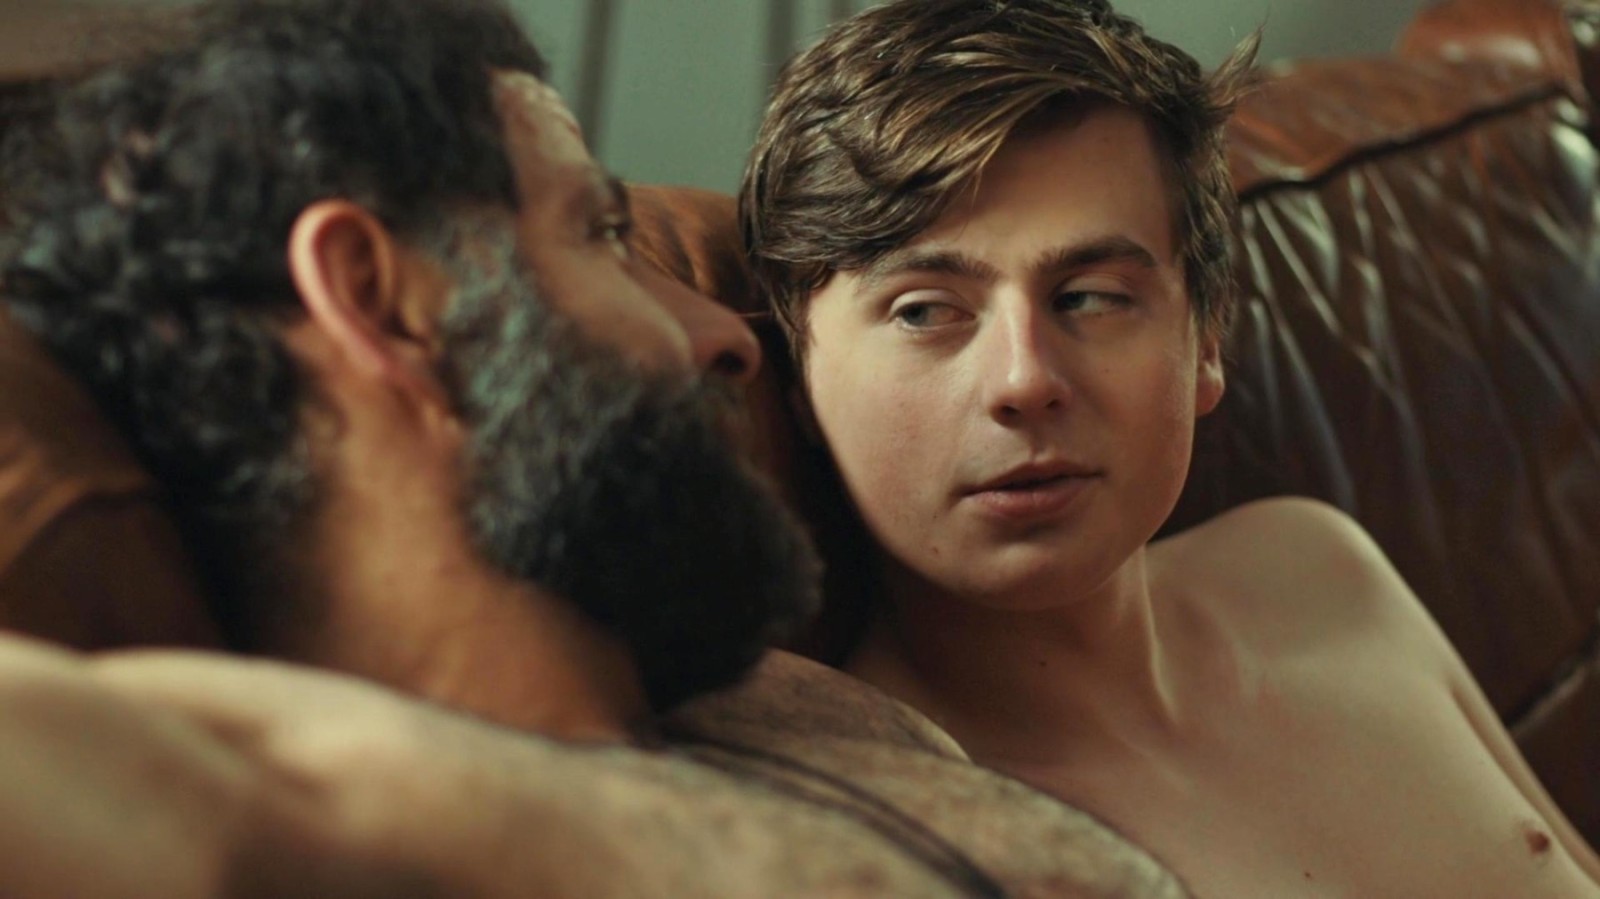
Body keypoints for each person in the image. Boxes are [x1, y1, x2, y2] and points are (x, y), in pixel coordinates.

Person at [0, 0, 1187, 896]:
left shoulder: (811, 706)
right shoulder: (297, 794)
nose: (729, 335)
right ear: (381, 297)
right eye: (600, 232)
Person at [741, 0, 1600, 896]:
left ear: (1207, 342)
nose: (1024, 379)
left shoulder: (1318, 567)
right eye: (924, 311)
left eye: (1091, 296)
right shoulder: (881, 840)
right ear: (801, 374)